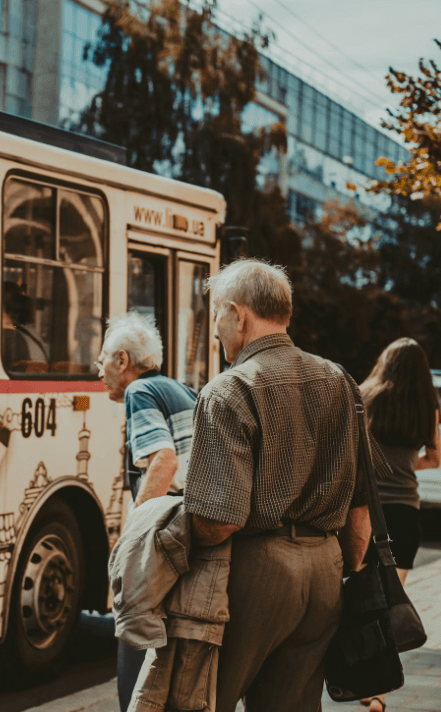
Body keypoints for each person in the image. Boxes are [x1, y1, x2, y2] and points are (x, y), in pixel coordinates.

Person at [183, 258, 388, 712]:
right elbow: (360, 505)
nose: (214, 327)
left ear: (238, 314)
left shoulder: (229, 390)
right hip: (325, 571)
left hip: (257, 571)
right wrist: (348, 573)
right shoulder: (340, 380)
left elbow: (218, 521)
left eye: (215, 313)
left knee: (203, 699)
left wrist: (170, 538)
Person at [96, 311, 197, 712]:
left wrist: (132, 536)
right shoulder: (180, 389)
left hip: (171, 527)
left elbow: (164, 462)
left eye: (103, 358)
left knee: (134, 633)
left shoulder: (140, 393)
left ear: (122, 361)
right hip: (193, 527)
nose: (98, 369)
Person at [358, 337, 440, 712]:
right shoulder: (427, 406)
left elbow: (353, 452)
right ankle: (379, 691)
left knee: (359, 596)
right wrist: (406, 466)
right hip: (406, 514)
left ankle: (356, 673)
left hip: (366, 512)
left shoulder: (365, 396)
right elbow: (435, 458)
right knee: (391, 602)